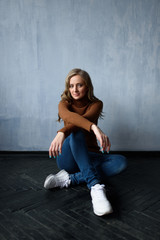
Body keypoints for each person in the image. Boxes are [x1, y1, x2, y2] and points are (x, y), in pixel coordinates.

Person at [44, 68, 127, 216]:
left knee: (120, 162)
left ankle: (68, 179)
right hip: (68, 159)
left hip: (90, 155)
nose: (74, 89)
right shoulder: (64, 103)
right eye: (71, 86)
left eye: (79, 85)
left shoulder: (96, 104)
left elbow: (85, 119)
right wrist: (93, 127)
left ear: (87, 86)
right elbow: (71, 118)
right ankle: (95, 186)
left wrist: (63, 131)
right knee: (76, 132)